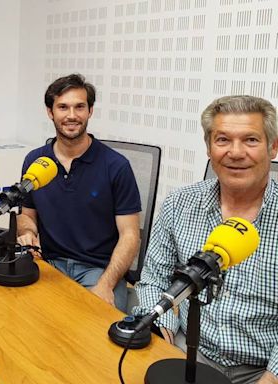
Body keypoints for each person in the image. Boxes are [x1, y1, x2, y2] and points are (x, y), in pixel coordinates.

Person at [133, 95, 278, 384]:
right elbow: (153, 279)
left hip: (261, 369)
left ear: (273, 147)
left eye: (250, 140)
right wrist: (164, 336)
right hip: (186, 350)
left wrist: (271, 378)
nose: (235, 153)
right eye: (222, 140)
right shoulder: (179, 204)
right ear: (209, 148)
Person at [17, 74, 141, 312]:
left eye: (79, 107)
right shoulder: (35, 161)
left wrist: (106, 285)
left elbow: (130, 236)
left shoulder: (116, 166)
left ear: (90, 111)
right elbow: (27, 215)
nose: (72, 115)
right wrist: (28, 233)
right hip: (48, 265)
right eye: (63, 107)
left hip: (99, 270)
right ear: (50, 112)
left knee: (94, 334)